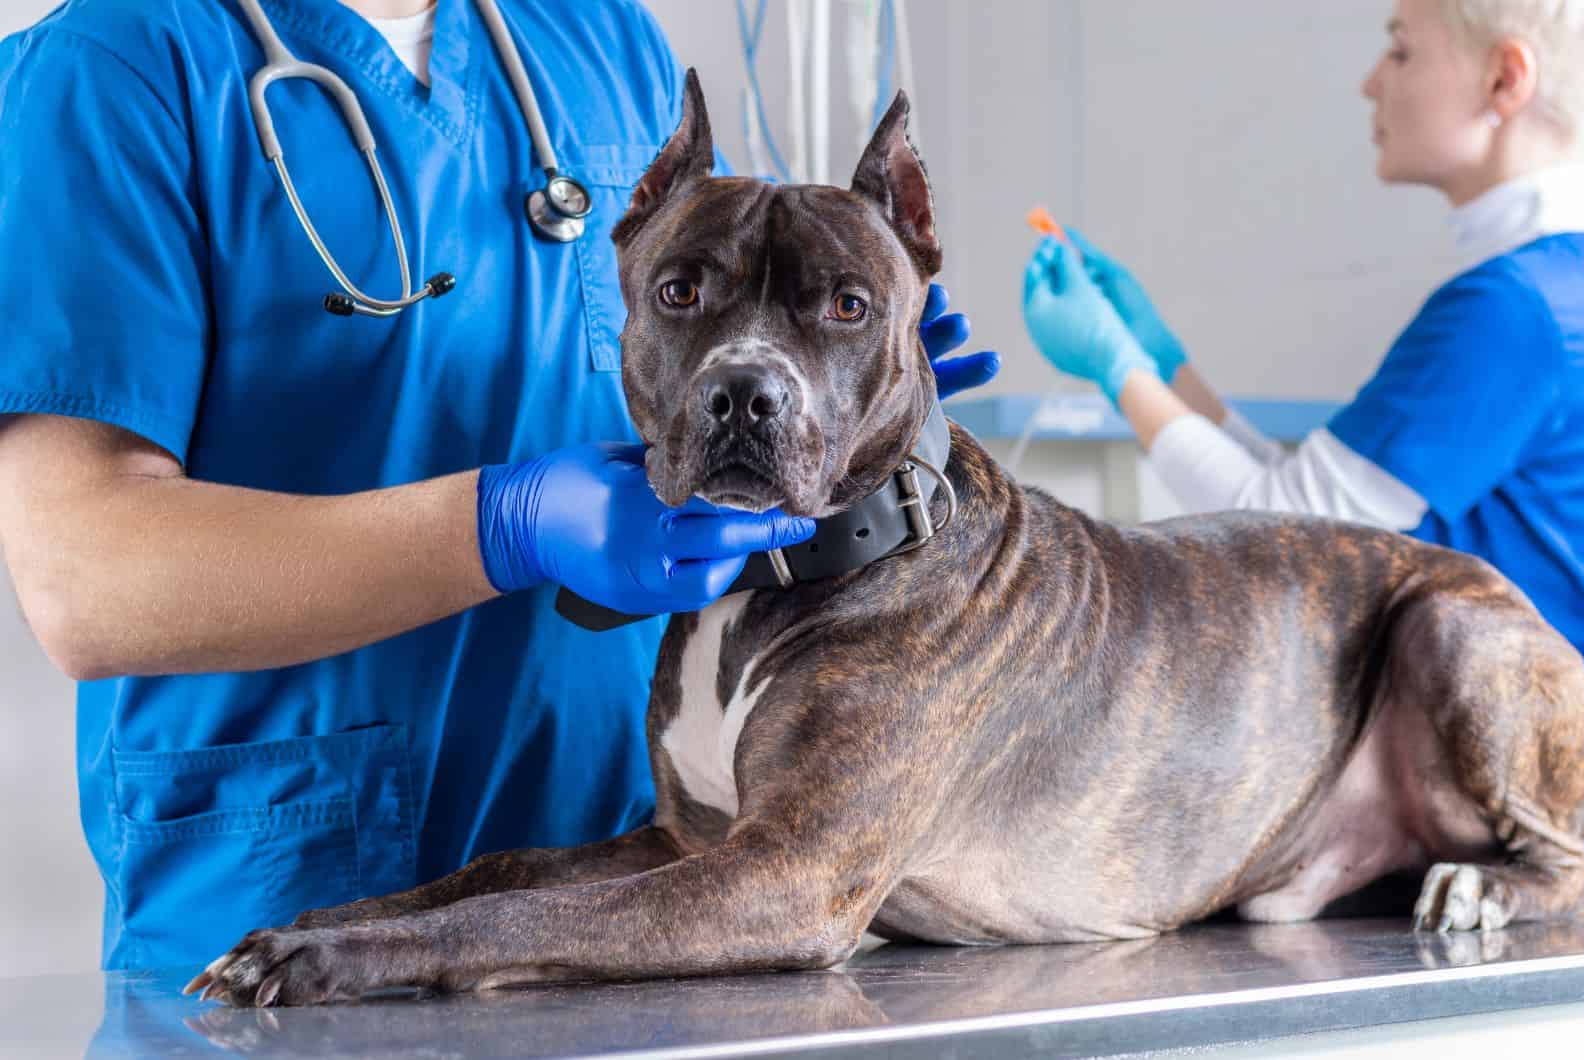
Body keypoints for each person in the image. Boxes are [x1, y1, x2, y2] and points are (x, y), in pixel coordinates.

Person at [0, 0, 998, 971]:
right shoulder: (114, 67)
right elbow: (84, 579)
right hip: (302, 906)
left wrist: (849, 376)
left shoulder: (598, 36)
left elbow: (689, 360)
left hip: (627, 905)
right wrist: (503, 526)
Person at [1022, 0, 1584, 879]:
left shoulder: (1514, 312)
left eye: (1402, 52)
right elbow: (1317, 501)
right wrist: (1166, 364)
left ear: (1503, 79)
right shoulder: (1562, 285)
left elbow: (1287, 538)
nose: (1373, 80)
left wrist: (1115, 368)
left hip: (1529, 833)